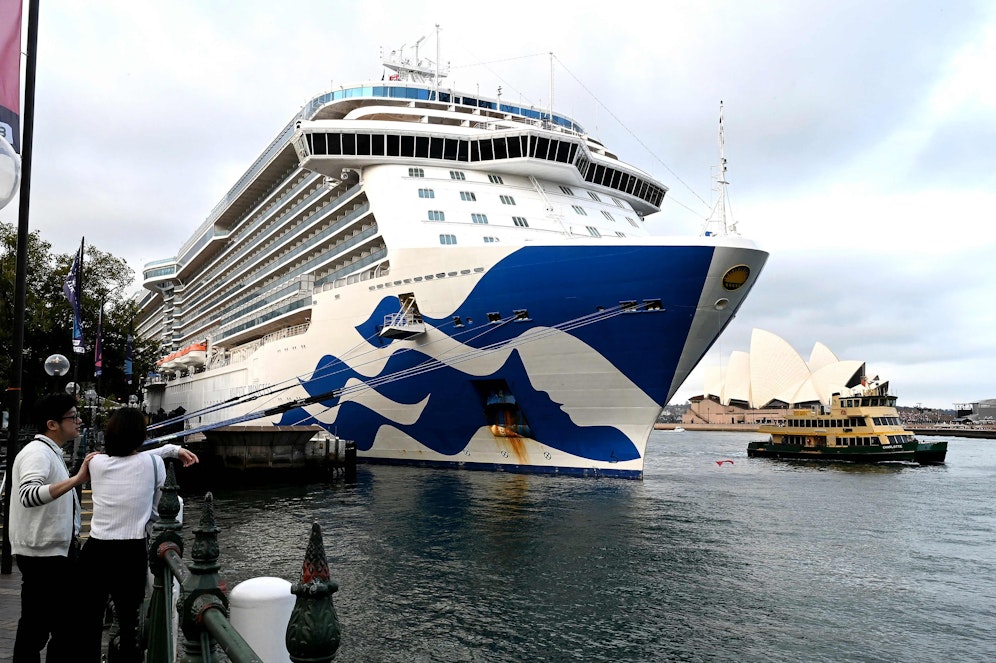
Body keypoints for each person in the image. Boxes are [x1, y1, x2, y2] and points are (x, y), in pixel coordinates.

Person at [77, 406, 199, 663]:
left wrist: (170, 450)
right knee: (128, 624)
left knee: (88, 621)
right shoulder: (153, 464)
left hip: (95, 549)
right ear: (141, 435)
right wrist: (173, 450)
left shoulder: (95, 462)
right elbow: (155, 510)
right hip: (130, 550)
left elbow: (130, 458)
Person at [9, 393, 95, 663]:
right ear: (52, 424)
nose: (79, 421)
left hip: (50, 551)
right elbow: (29, 494)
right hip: (44, 555)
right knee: (42, 627)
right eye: (73, 417)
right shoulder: (37, 453)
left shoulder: (47, 452)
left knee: (53, 626)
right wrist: (77, 479)